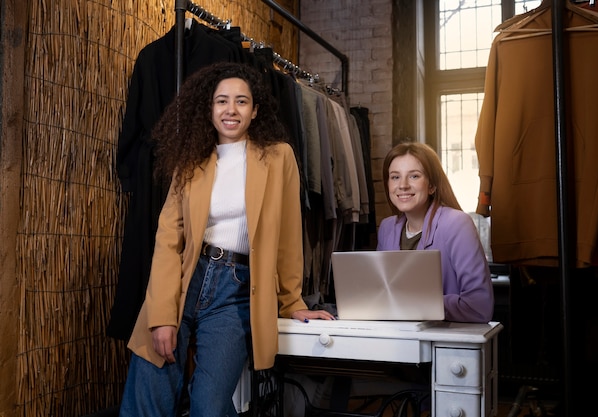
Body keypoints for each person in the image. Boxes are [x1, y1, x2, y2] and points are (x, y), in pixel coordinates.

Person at [118, 62, 335, 417]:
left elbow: (287, 237)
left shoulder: (279, 157)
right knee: (148, 397)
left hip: (235, 291)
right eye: (221, 101)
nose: (230, 110)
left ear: (255, 111)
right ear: (209, 108)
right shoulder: (191, 159)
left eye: (241, 101)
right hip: (186, 278)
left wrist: (291, 301)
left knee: (211, 406)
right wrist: (161, 315)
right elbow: (168, 238)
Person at [377, 141, 494, 323]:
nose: (403, 185)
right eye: (394, 177)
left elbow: (480, 307)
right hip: (397, 340)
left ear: (431, 185)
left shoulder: (457, 224)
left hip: (443, 342)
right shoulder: (386, 228)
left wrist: (416, 304)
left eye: (414, 176)